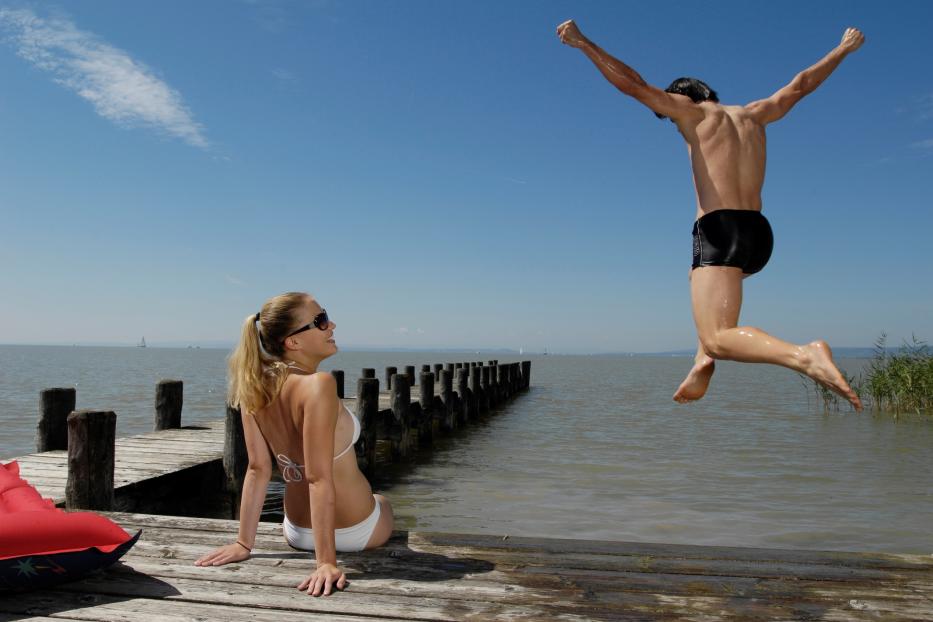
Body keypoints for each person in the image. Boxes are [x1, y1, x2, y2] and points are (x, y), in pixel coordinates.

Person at [557, 20, 865, 410]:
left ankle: (805, 355)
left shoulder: (692, 113)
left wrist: (585, 44)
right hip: (759, 237)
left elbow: (633, 84)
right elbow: (801, 85)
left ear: (683, 97)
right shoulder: (755, 115)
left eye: (668, 112)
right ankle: (702, 357)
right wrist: (842, 49)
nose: (672, 120)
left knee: (720, 335)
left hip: (720, 229)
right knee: (698, 282)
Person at [195, 292, 394, 596]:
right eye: (321, 321)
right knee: (382, 499)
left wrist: (243, 543)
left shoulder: (254, 385)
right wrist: (325, 562)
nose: (332, 325)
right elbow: (317, 477)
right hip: (356, 533)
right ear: (293, 342)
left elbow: (258, 469)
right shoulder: (319, 384)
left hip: (298, 533)